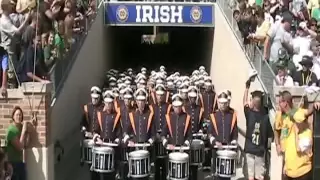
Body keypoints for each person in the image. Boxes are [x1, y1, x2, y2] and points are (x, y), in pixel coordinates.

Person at [243, 78, 273, 180]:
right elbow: (269, 137)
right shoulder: (265, 117)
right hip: (260, 150)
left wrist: (247, 87)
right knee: (260, 176)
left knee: (250, 176)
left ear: (253, 103)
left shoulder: (249, 114)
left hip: (250, 149)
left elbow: (244, 102)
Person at [208, 91, 238, 180]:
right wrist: (215, 142)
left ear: (227, 103)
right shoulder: (213, 116)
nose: (223, 105)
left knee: (226, 174)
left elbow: (235, 132)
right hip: (216, 148)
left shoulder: (233, 116)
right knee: (216, 174)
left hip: (228, 149)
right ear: (218, 103)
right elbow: (209, 133)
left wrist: (234, 141)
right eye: (221, 103)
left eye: (224, 103)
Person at [93, 90, 121, 180]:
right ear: (104, 102)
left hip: (112, 146)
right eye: (107, 103)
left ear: (113, 104)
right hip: (102, 146)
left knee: (111, 173)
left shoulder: (117, 116)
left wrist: (117, 140)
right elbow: (96, 130)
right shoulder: (100, 115)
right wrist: (96, 136)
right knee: (101, 173)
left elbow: (119, 132)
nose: (108, 105)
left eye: (110, 103)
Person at [81, 86, 103, 180]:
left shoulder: (103, 108)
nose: (94, 100)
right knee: (90, 165)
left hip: (99, 139)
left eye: (96, 98)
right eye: (93, 98)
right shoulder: (87, 107)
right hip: (89, 139)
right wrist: (84, 130)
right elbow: (83, 123)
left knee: (99, 164)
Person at [5, 107, 29, 180]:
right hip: (12, 164)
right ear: (13, 116)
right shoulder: (11, 130)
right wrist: (24, 131)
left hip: (21, 163)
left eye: (20, 115)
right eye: (17, 115)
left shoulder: (20, 127)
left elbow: (26, 144)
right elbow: (19, 147)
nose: (19, 117)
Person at [152, 84, 170, 180]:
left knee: (164, 161)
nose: (160, 96)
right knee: (156, 162)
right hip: (155, 136)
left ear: (164, 95)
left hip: (164, 136)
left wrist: (163, 134)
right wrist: (155, 134)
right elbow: (151, 122)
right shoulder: (152, 107)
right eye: (158, 94)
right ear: (155, 95)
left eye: (161, 95)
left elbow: (168, 122)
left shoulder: (168, 106)